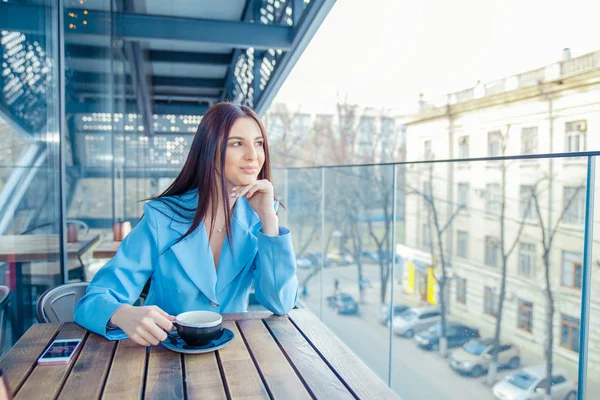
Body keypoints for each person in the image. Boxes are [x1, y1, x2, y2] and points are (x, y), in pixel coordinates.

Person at [74, 102, 298, 347]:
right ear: (209, 149)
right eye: (236, 143)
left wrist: (268, 217)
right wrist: (123, 314)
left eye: (258, 143)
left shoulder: (259, 219)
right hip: (164, 355)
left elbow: (280, 303)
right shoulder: (162, 217)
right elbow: (94, 300)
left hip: (233, 356)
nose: (253, 156)